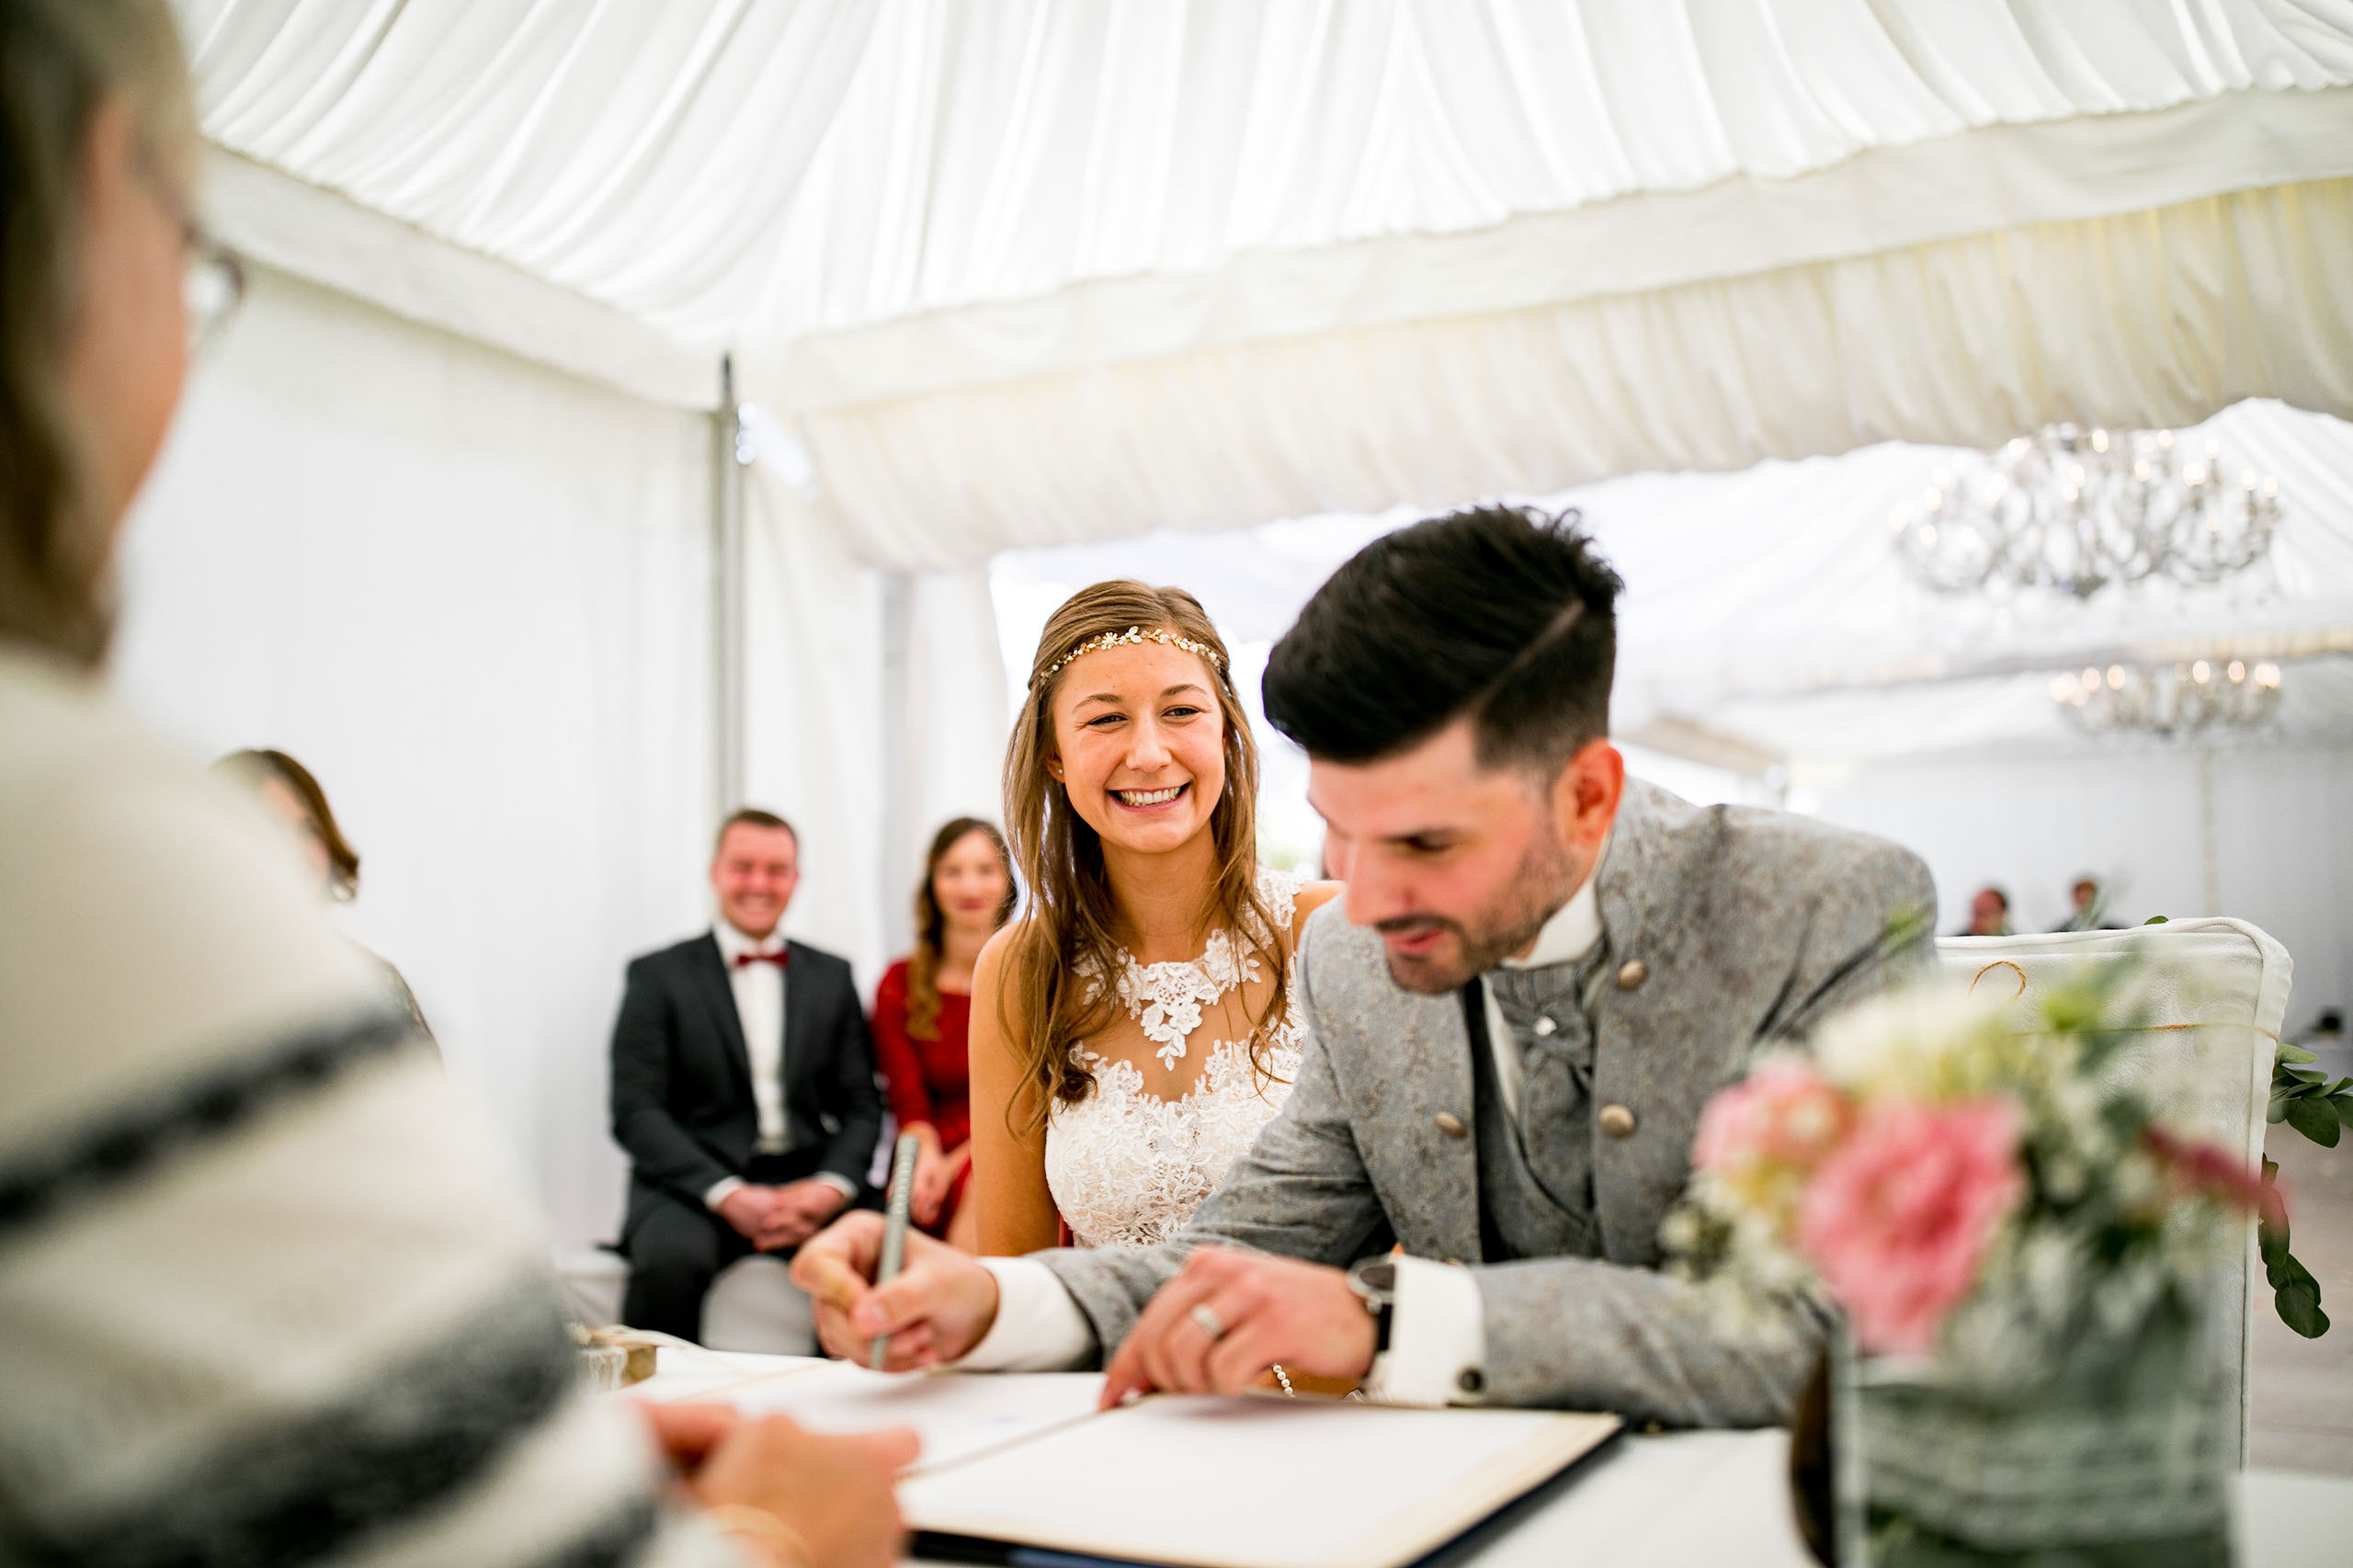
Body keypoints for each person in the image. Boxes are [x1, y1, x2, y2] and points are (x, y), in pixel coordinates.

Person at [0, 3, 907, 1564]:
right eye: (196, 262)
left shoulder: (830, 978)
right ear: (97, 197)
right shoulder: (74, 843)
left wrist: (516, 1438)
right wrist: (791, 1528)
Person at [796, 506, 1935, 1430]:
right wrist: (988, 1297)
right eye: (1340, 832)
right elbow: (1228, 1254)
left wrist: (1386, 1323)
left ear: (1586, 794)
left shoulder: (1821, 911)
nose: (1367, 899)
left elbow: (1832, 1329)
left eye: (1423, 843)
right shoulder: (1351, 958)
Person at [963, 583, 1341, 1259]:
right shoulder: (1018, 969)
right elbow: (1015, 1273)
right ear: (1054, 754)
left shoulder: (1332, 932)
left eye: (1181, 711)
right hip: (1108, 1366)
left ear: (1225, 732)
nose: (1147, 753)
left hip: (1311, 1366)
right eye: (1106, 720)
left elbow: (1418, 1236)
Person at [610, 808, 886, 1343]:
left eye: (776, 869)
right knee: (669, 1261)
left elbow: (861, 1104)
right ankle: (660, 1416)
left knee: (886, 1246)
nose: (759, 884)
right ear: (716, 872)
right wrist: (727, 1193)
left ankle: (857, 1407)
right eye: (743, 867)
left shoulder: (832, 976)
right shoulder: (656, 975)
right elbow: (636, 1110)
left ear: (796, 879)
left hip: (806, 1175)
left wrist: (829, 1189)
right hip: (694, 1184)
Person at [212, 745, 433, 1040]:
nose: (297, 851)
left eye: (309, 831)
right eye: (270, 827)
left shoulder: (374, 986)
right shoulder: (177, 979)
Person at [871, 817, 1017, 1248]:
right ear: (933, 883)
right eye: (953, 871)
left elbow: (1032, 1102)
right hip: (926, 1150)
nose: (969, 887)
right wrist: (927, 1158)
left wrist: (958, 1163)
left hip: (1010, 1144)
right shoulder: (899, 983)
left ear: (1008, 881)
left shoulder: (1032, 976)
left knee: (988, 1179)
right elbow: (908, 1101)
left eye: (985, 870)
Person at [2052, 874, 2120, 932]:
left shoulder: (2116, 932)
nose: (2085, 904)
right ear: (2075, 899)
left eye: (2088, 899)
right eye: (2081, 900)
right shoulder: (2060, 933)